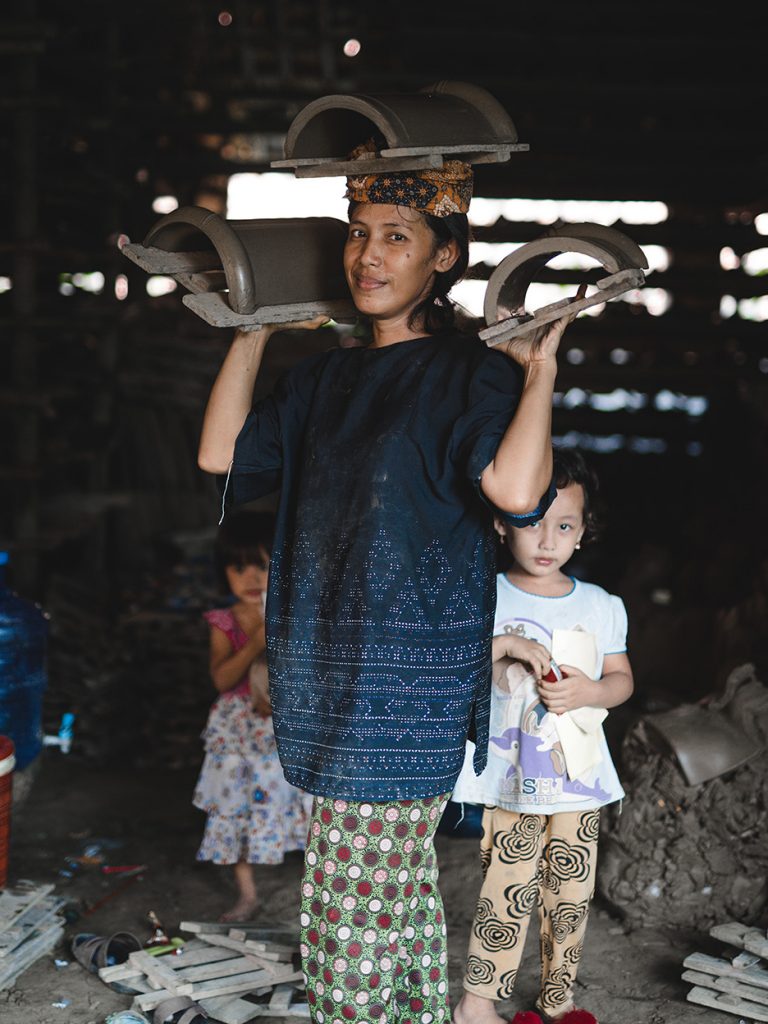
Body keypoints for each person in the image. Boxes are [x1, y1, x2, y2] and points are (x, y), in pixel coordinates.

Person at [197, 150, 584, 1022]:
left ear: (443, 256)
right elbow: (222, 457)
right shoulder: (324, 379)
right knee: (394, 896)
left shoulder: (466, 373)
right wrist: (254, 329)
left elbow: (518, 494)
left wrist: (540, 374)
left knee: (346, 915)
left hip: (405, 681)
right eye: (360, 236)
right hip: (325, 667)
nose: (369, 256)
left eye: (398, 238)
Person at [451, 448, 634, 1024]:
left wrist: (591, 692)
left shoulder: (602, 605)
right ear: (503, 522)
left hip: (578, 779)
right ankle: (477, 1003)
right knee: (507, 890)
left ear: (583, 533)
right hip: (510, 781)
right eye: (533, 522)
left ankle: (558, 1002)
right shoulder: (485, 594)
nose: (547, 539)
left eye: (564, 525)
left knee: (571, 896)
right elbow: (451, 663)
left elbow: (622, 680)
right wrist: (504, 646)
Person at [193, 508, 313, 923]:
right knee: (237, 807)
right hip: (238, 732)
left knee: (302, 803)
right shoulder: (224, 622)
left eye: (261, 566)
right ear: (223, 572)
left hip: (285, 728)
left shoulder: (297, 612)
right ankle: (247, 895)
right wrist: (254, 641)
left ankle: (315, 893)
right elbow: (222, 680)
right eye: (238, 567)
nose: (250, 578)